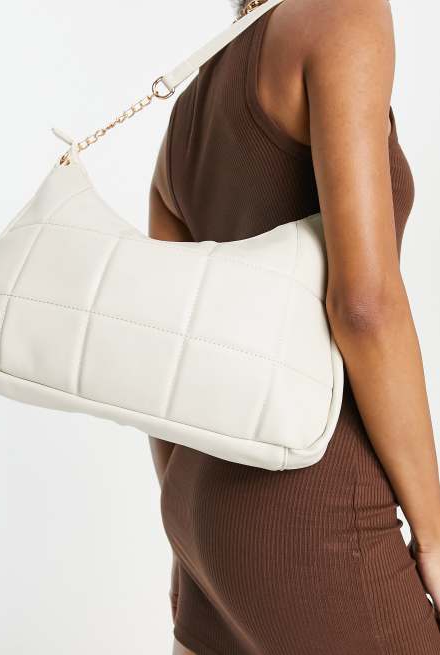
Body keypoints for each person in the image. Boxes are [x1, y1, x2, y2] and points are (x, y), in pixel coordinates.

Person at [148, 0, 440, 653]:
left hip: (197, 511)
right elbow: (364, 305)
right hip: (313, 510)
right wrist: (435, 536)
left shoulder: (191, 104)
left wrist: (190, 539)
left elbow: (166, 350)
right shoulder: (343, 17)